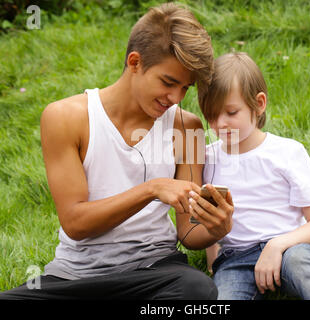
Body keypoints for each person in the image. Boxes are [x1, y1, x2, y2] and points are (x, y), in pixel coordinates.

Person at [0, 3, 234, 300]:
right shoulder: (65, 117)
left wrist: (218, 227)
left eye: (185, 88)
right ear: (134, 62)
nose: (175, 98)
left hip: (156, 272)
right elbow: (75, 223)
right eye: (168, 82)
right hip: (76, 279)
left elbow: (188, 235)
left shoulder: (187, 127)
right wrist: (151, 189)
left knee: (197, 290)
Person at [188, 52, 310, 300]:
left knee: (307, 272)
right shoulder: (207, 159)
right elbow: (211, 218)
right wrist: (213, 264)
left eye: (231, 112)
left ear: (259, 103)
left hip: (291, 250)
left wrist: (277, 245)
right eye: (211, 115)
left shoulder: (287, 152)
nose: (220, 124)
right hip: (236, 259)